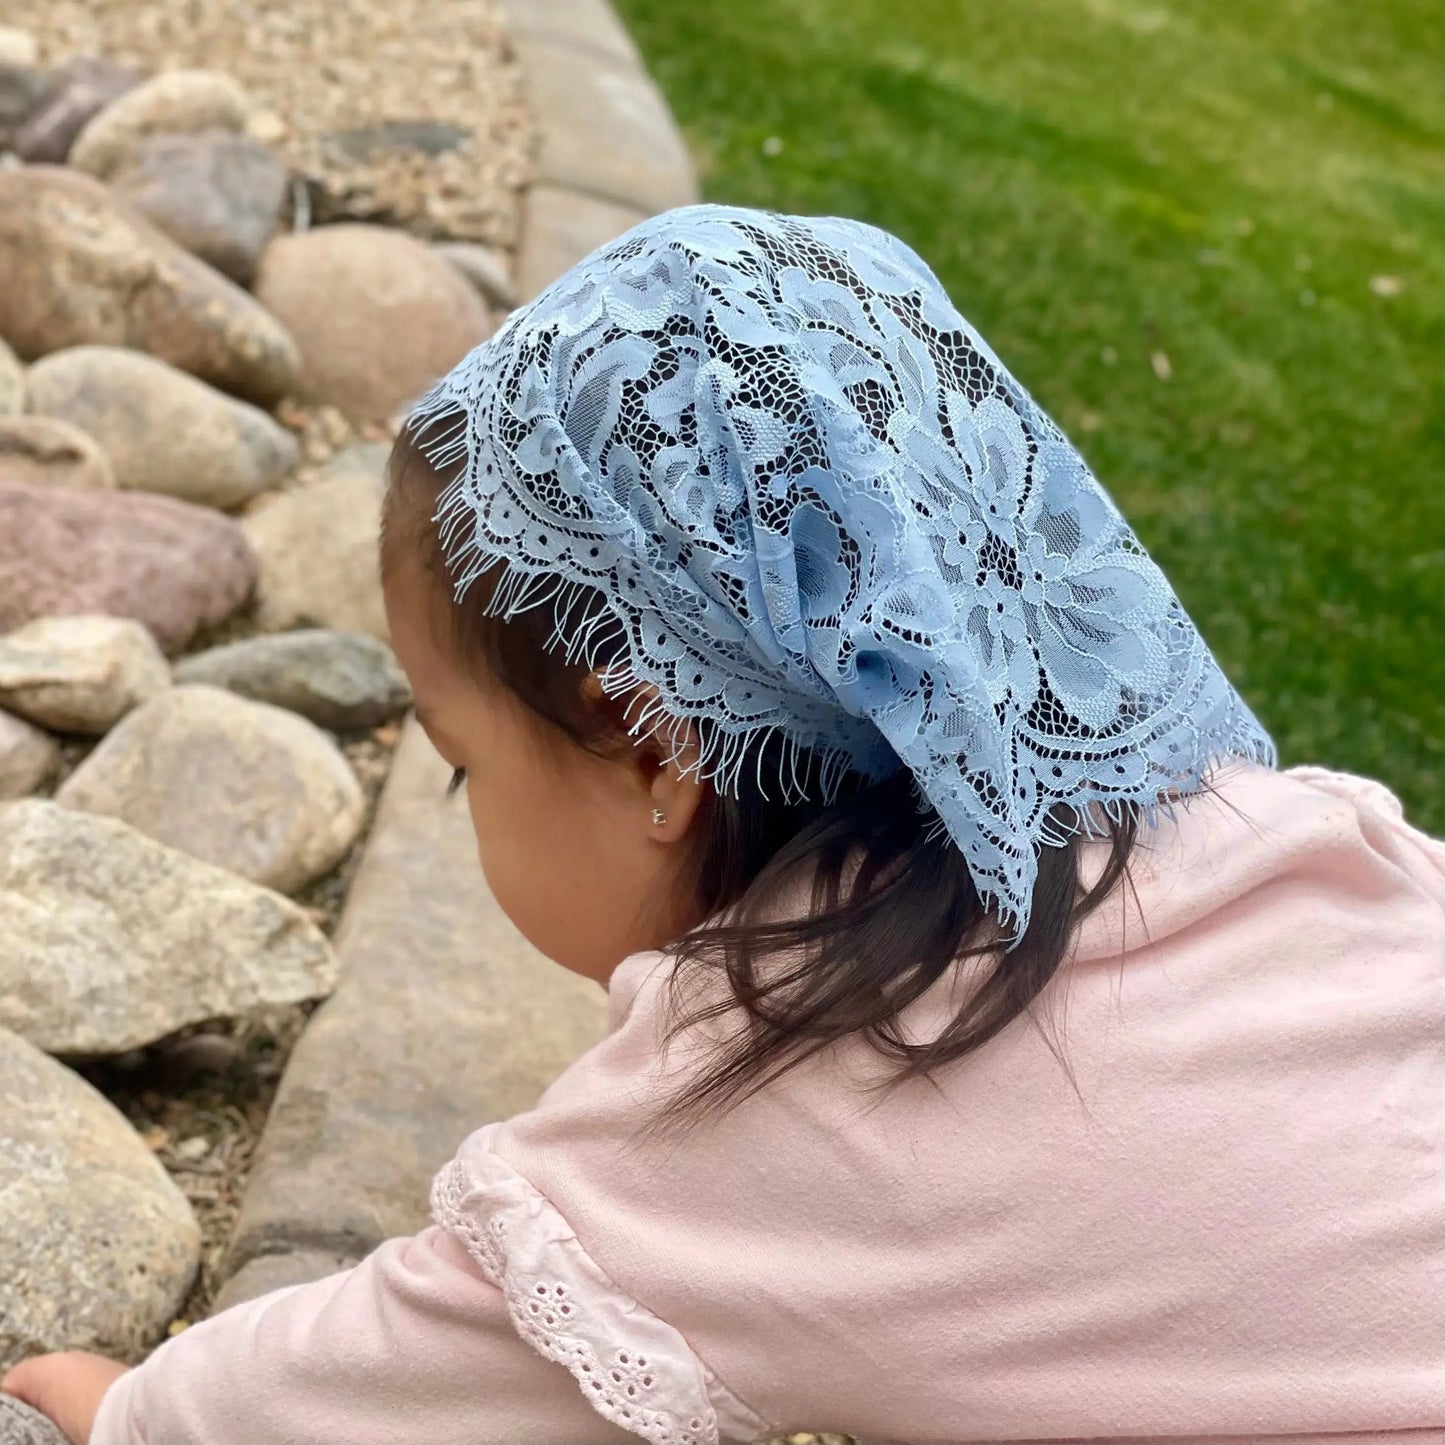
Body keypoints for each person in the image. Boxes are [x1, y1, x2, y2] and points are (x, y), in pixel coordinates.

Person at [5, 205, 1441, 1445]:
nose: (465, 809)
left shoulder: (800, 1083)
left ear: (652, 743)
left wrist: (135, 1409)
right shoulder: (1268, 835)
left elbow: (389, 1372)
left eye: (461, 768)